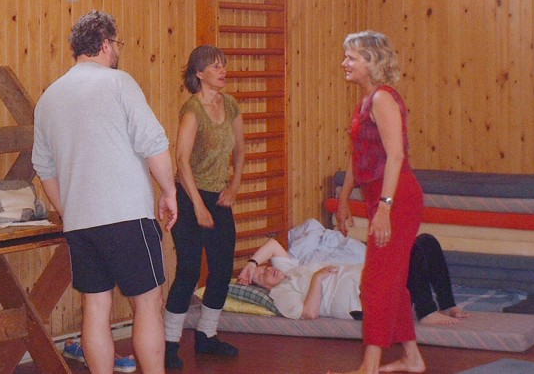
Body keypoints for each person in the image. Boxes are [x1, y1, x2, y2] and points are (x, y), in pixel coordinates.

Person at [32, 10, 177, 374]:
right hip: (127, 215)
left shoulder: (48, 99)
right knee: (148, 304)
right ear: (106, 43)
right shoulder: (118, 83)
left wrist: (69, 210)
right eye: (117, 44)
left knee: (95, 308)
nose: (117, 52)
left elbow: (45, 170)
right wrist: (169, 190)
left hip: (81, 224)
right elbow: (154, 144)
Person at [330, 31, 425, 374]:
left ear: (371, 62)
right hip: (380, 198)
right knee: (391, 280)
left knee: (375, 283)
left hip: (397, 199)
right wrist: (344, 199)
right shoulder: (366, 100)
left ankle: (368, 367)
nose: (345, 63)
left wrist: (384, 207)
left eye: (351, 58)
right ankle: (412, 358)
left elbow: (396, 156)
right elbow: (359, 157)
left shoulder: (383, 98)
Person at [164, 45, 245, 369]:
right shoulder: (192, 110)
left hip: (219, 197)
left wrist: (234, 185)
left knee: (222, 270)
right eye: (215, 66)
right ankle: (169, 343)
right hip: (189, 196)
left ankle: (206, 336)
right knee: (188, 271)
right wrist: (197, 206)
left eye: (223, 65)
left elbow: (240, 150)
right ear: (199, 73)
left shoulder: (231, 105)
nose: (222, 71)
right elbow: (181, 161)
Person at [238, 227, 468, 324]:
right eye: (262, 276)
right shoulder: (281, 292)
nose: (267, 270)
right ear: (265, 288)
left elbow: (272, 244)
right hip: (365, 301)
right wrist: (317, 279)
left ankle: (447, 304)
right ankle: (426, 312)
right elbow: (308, 313)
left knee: (426, 242)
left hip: (374, 279)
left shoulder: (290, 269)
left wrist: (252, 263)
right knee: (414, 253)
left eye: (265, 267)